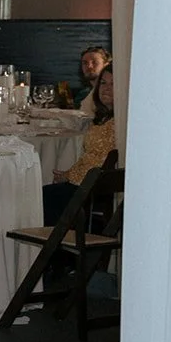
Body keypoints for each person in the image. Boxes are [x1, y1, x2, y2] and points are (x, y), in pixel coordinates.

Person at [44, 64, 116, 224]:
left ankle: (52, 240)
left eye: (113, 84)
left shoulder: (116, 124)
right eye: (103, 83)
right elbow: (90, 158)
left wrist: (68, 176)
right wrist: (68, 174)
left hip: (93, 190)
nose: (106, 88)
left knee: (41, 197)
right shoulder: (103, 118)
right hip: (86, 184)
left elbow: (98, 161)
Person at [76, 46, 110, 116]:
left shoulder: (110, 92)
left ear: (106, 65)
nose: (89, 66)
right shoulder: (87, 94)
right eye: (85, 63)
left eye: (94, 62)